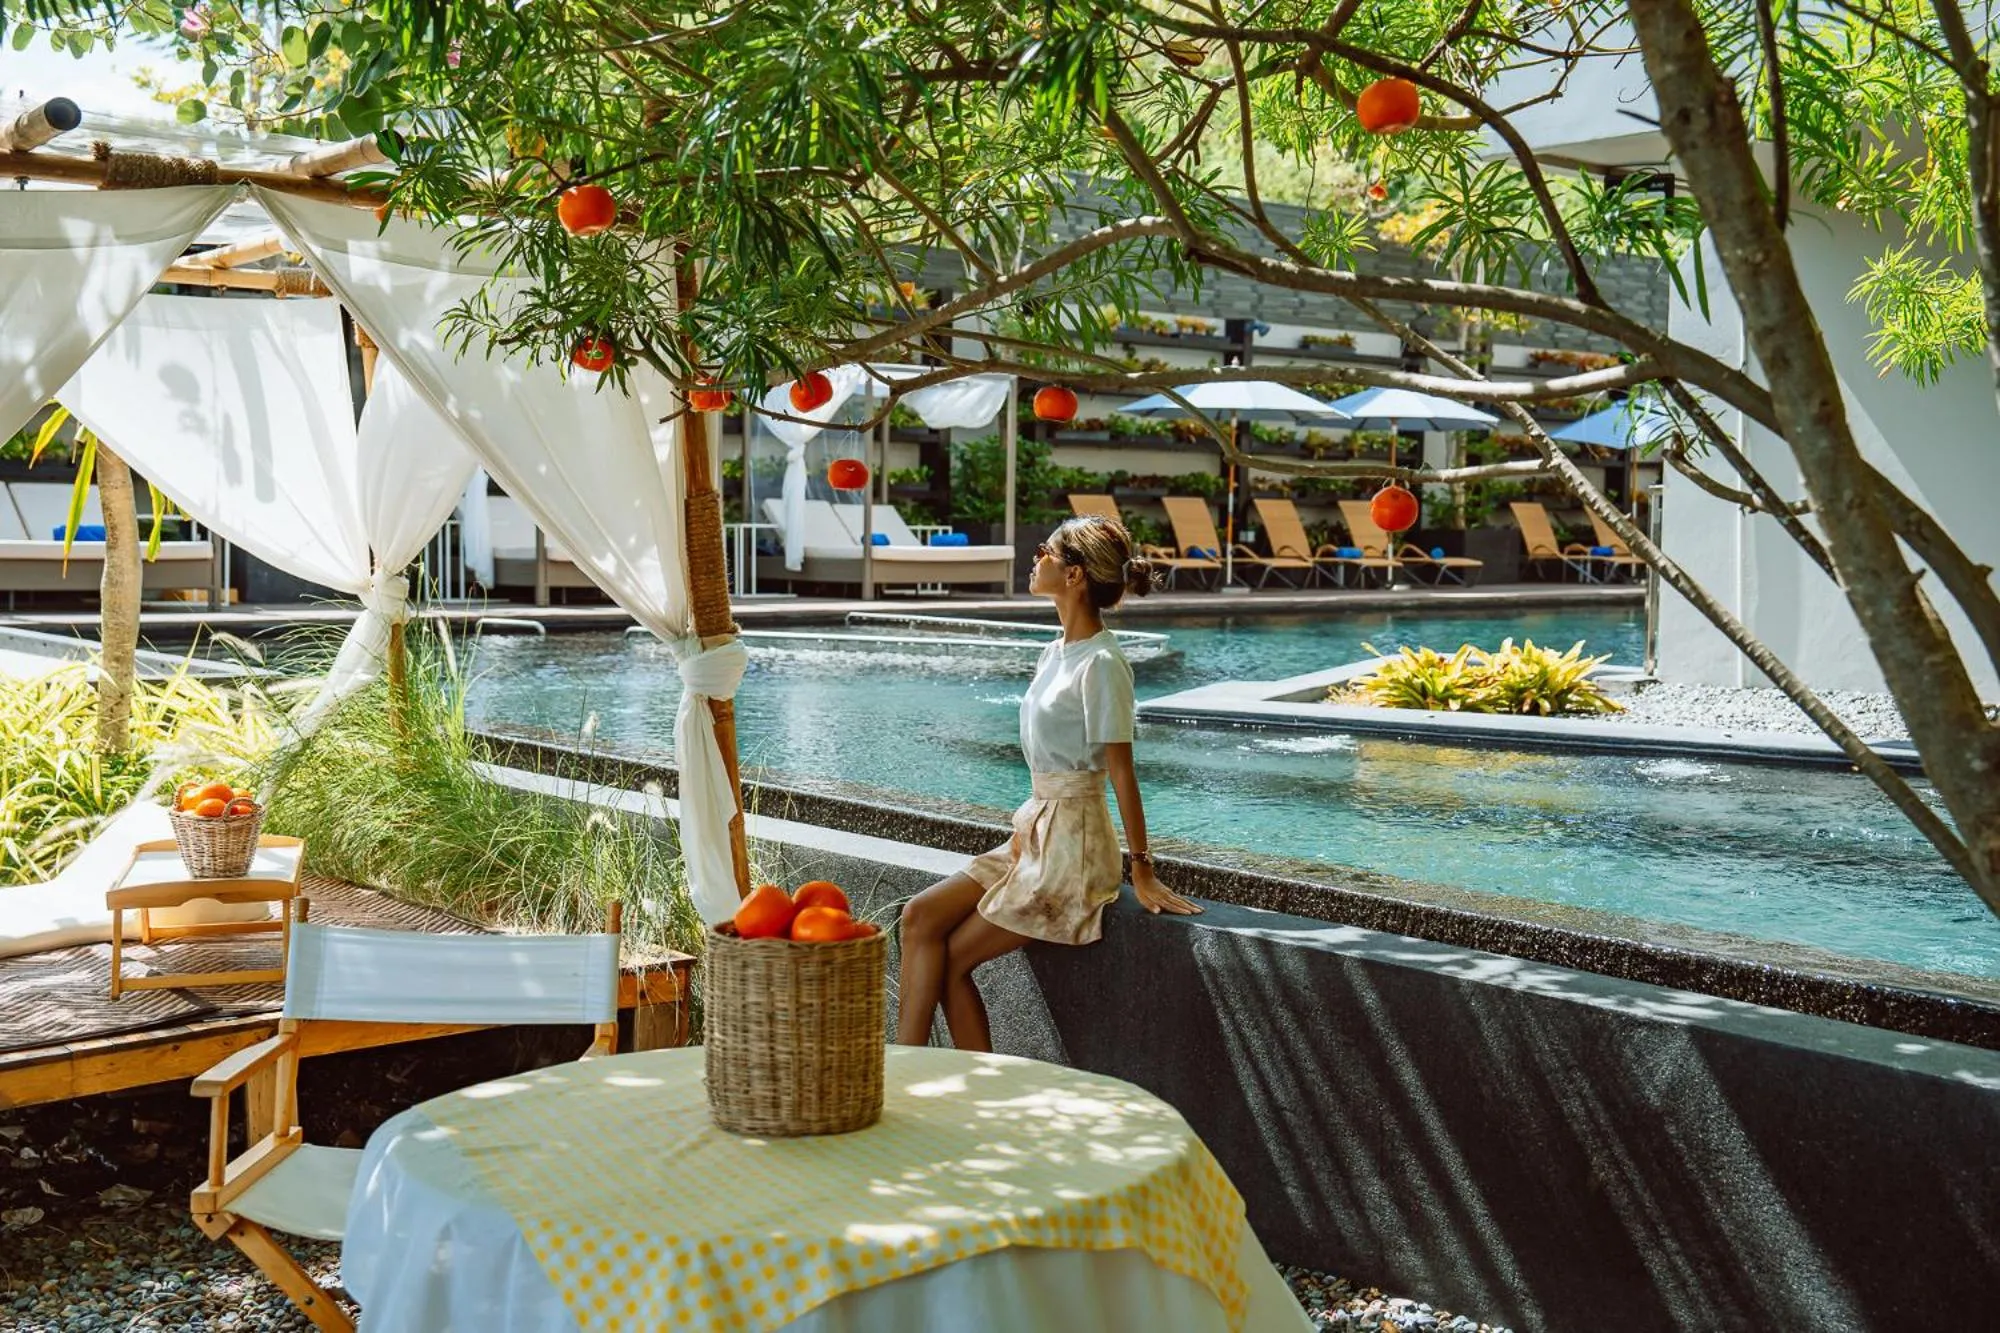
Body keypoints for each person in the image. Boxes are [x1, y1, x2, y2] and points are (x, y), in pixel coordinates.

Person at [895, 514, 1202, 1051]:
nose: (1036, 558)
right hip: (1035, 830)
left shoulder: (1102, 664)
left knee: (952, 961)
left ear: (1075, 574)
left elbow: (1122, 771)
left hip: (1074, 849)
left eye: (1047, 551)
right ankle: (901, 1066)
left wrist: (1143, 869)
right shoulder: (1054, 653)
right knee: (919, 917)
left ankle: (934, 1078)